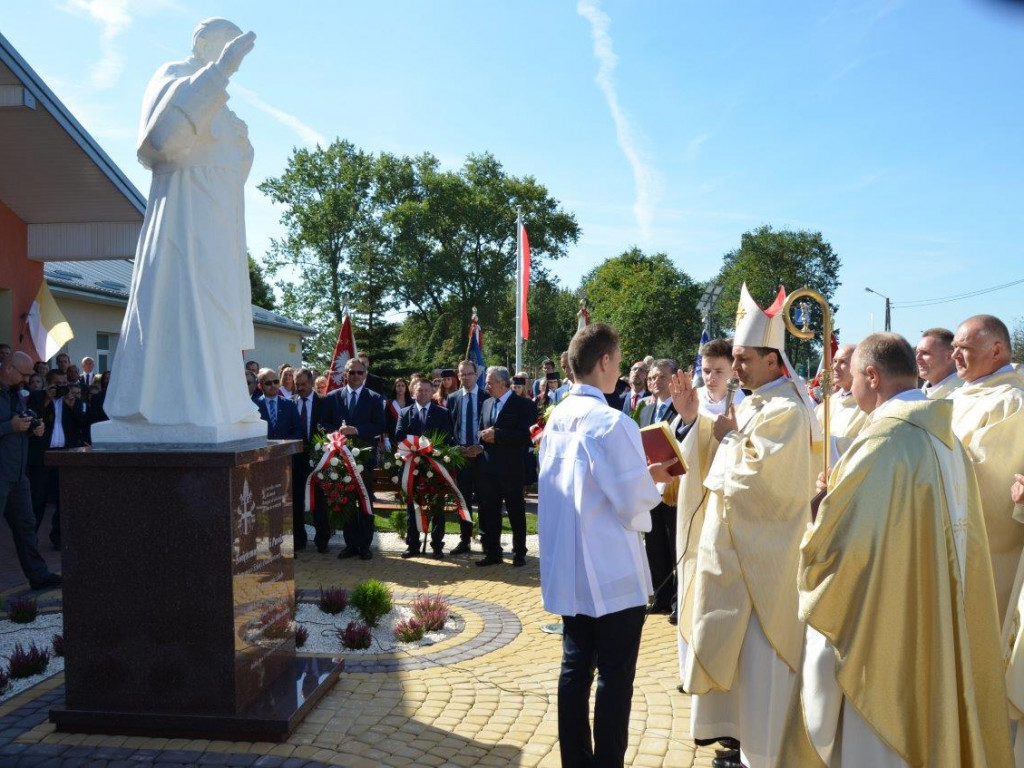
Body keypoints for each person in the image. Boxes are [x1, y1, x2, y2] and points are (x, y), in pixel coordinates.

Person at [780, 334, 1012, 766]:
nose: (848, 389)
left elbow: (839, 550)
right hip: (939, 608)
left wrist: (818, 514)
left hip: (886, 623)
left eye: (852, 379)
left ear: (873, 375)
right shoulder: (947, 437)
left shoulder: (883, 440)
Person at [95, 18, 264, 443]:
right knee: (187, 298)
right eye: (226, 47)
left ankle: (221, 399)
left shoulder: (221, 104)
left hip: (218, 217)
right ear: (203, 42)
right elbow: (162, 142)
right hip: (184, 212)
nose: (233, 59)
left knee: (218, 306)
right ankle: (181, 407)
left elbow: (236, 166)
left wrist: (239, 140)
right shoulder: (173, 75)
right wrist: (220, 72)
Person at [681, 284, 817, 768]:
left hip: (763, 562)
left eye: (742, 359)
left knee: (758, 661)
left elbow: (766, 483)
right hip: (732, 555)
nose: (734, 368)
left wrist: (731, 435)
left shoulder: (785, 410)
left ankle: (761, 750)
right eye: (734, 359)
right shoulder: (758, 401)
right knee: (735, 661)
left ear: (774, 360)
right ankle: (735, 740)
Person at [538, 322, 676, 768]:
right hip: (611, 572)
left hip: (570, 570)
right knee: (615, 678)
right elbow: (633, 502)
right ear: (604, 362)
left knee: (575, 670)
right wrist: (653, 480)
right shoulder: (612, 421)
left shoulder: (556, 417)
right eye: (617, 361)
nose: (619, 370)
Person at [671, 337, 743, 688]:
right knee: (690, 583)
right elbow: (679, 447)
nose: (711, 378)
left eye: (718, 371)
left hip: (727, 515)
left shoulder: (744, 407)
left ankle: (714, 671)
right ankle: (688, 669)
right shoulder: (694, 401)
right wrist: (687, 419)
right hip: (692, 509)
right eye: (705, 370)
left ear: (734, 372)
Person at [949, 314, 1024, 619]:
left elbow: (990, 483)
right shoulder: (955, 396)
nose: (954, 355)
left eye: (963, 347)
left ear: (996, 351)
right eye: (953, 346)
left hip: (983, 555)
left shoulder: (1010, 402)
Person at [0, 352, 62, 590]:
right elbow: (9, 425)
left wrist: (31, 427)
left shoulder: (14, 393)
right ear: (8, 369)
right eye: (24, 374)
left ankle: (39, 576)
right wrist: (10, 426)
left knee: (26, 526)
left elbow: (19, 422)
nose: (27, 380)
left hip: (17, 474)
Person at [475, 366, 533, 567]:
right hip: (489, 469)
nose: (486, 386)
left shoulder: (523, 405)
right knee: (489, 512)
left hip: (512, 470)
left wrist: (498, 435)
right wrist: (482, 437)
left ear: (502, 383)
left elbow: (527, 436)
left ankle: (519, 552)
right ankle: (493, 552)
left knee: (515, 511)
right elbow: (482, 429)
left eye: (490, 382)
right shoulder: (486, 403)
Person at [638, 359, 683, 618]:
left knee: (674, 542)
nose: (654, 382)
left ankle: (678, 601)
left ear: (673, 378)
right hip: (650, 485)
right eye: (651, 377)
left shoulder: (680, 409)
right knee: (654, 544)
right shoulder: (645, 410)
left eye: (660, 377)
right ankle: (661, 596)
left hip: (674, 485)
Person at [329, 357, 384, 560]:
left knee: (365, 501)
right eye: (351, 372)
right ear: (345, 374)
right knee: (347, 500)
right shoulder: (333, 397)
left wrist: (357, 430)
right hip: (340, 459)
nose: (355, 376)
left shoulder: (375, 398)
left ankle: (365, 545)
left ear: (365, 375)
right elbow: (325, 423)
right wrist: (336, 434)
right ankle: (350, 544)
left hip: (365, 459)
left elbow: (379, 425)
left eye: (359, 372)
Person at [28, 370, 90, 551]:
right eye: (57, 384)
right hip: (43, 456)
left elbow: (84, 423)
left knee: (63, 500)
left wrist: (72, 405)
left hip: (65, 455)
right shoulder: (37, 397)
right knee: (37, 500)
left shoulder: (73, 399)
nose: (61, 387)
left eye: (64, 383)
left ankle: (59, 538)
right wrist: (47, 399)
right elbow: (31, 418)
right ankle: (29, 539)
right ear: (48, 383)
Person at [397, 377, 455, 559]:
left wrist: (431, 450)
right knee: (411, 506)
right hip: (412, 465)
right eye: (419, 390)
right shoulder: (405, 412)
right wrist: (414, 448)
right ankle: (412, 545)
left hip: (434, 464)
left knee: (437, 506)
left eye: (426, 391)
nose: (423, 393)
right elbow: (398, 436)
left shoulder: (443, 413)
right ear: (414, 392)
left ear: (432, 393)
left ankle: (437, 545)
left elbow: (448, 437)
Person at [292, 368, 337, 554]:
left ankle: (322, 540)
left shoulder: (325, 402)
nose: (300, 388)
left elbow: (332, 424)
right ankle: (299, 540)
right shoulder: (291, 403)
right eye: (297, 385)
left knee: (319, 501)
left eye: (303, 384)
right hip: (296, 459)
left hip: (318, 458)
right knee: (296, 500)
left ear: (311, 383)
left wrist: (324, 432)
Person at [447, 360, 489, 556]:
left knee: (484, 499)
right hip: (461, 457)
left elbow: (490, 425)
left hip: (482, 456)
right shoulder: (453, 398)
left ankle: (486, 540)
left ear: (476, 375)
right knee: (462, 500)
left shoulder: (486, 397)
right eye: (462, 374)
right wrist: (457, 449)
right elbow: (450, 428)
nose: (465, 377)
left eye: (469, 374)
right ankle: (465, 540)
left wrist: (480, 447)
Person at [815, 343, 868, 458]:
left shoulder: (869, 405)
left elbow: (866, 448)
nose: (835, 367)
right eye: (834, 361)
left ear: (858, 366)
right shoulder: (827, 404)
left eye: (843, 362)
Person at [255, 368, 302, 440]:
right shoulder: (254, 406)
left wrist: (285, 446)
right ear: (260, 386)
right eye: (268, 383)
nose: (273, 385)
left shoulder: (289, 404)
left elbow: (298, 429)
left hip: (286, 449)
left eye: (276, 382)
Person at [916, 327, 962, 399]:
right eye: (917, 352)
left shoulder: (964, 395)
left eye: (925, 353)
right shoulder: (917, 397)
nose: (917, 358)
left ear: (949, 356)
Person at [385, 377, 411, 446]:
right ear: (395, 388)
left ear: (406, 388)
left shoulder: (411, 403)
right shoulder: (389, 403)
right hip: (392, 437)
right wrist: (386, 439)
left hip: (408, 437)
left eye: (403, 386)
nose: (400, 388)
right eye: (398, 385)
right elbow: (386, 421)